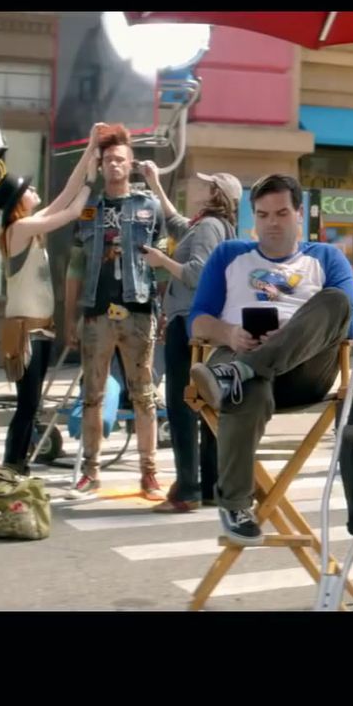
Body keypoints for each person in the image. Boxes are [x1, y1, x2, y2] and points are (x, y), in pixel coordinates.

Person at [187, 174, 353, 544]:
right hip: (238, 352)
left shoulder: (326, 257)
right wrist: (229, 334)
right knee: (247, 385)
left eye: (282, 213)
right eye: (263, 215)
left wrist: (289, 334)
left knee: (337, 301)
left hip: (305, 367)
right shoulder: (229, 255)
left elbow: (351, 323)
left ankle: (241, 371)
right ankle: (235, 505)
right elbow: (198, 319)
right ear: (254, 218)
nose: (273, 223)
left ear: (300, 214)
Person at [64, 123, 169, 500]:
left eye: (120, 160)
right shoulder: (88, 207)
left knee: (144, 395)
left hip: (139, 310)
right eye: (108, 159)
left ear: (131, 163)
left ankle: (150, 473)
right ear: (101, 163)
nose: (114, 166)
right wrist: (69, 318)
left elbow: (160, 262)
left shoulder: (148, 206)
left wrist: (164, 312)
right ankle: (90, 473)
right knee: (92, 394)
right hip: (94, 313)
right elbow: (75, 265)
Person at [0, 125, 100, 475]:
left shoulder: (30, 227)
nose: (34, 190)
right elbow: (69, 212)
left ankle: (17, 463)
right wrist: (90, 183)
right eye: (28, 190)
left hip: (38, 331)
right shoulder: (19, 230)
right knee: (27, 404)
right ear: (17, 203)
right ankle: (12, 464)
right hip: (25, 333)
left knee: (31, 404)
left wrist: (90, 149)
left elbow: (64, 194)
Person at [137, 162, 242, 513]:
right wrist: (155, 184)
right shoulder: (211, 226)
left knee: (183, 406)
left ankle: (187, 490)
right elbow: (178, 224)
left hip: (187, 324)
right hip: (198, 325)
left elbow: (196, 274)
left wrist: (161, 261)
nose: (200, 188)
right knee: (206, 405)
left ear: (218, 195)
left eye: (208, 185)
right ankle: (210, 485)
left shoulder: (210, 226)